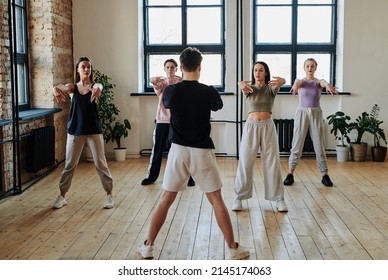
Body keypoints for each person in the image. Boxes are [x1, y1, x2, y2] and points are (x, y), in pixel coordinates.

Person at [137, 47, 249, 260]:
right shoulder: (208, 91)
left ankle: (148, 246)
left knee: (165, 199)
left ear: (180, 67)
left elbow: (168, 103)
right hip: (201, 151)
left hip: (178, 151)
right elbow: (217, 105)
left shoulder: (171, 91)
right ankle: (234, 248)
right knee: (216, 199)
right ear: (199, 67)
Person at [52, 56, 114, 209]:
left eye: (88, 67)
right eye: (83, 67)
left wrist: (97, 90)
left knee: (101, 163)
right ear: (78, 70)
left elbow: (99, 86)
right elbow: (62, 87)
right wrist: (55, 88)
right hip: (75, 130)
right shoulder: (73, 87)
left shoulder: (95, 86)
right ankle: (62, 196)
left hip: (94, 130)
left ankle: (109, 195)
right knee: (70, 165)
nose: (86, 69)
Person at [232, 61, 288, 212]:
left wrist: (282, 81)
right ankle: (239, 197)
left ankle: (279, 199)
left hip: (267, 126)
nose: (257, 72)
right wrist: (240, 83)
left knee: (272, 162)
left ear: (265, 73)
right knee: (245, 161)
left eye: (261, 70)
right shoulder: (249, 89)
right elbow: (241, 84)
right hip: (251, 127)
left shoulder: (270, 89)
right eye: (255, 70)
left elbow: (281, 83)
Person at [283, 58, 338, 187]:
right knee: (297, 143)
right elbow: (297, 82)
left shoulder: (318, 82)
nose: (310, 68)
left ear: (315, 68)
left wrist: (328, 85)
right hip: (302, 112)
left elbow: (323, 82)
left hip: (316, 113)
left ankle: (325, 175)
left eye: (312, 66)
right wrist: (295, 85)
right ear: (304, 68)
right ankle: (290, 173)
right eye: (307, 66)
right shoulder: (301, 82)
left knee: (319, 144)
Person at [141, 59, 195, 187]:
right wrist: (151, 80)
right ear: (164, 69)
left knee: (182, 149)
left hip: (178, 120)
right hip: (162, 120)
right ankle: (151, 176)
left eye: (172, 67)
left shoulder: (182, 82)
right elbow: (154, 84)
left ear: (177, 69)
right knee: (157, 149)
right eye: (168, 67)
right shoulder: (161, 83)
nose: (170, 69)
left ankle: (189, 177)